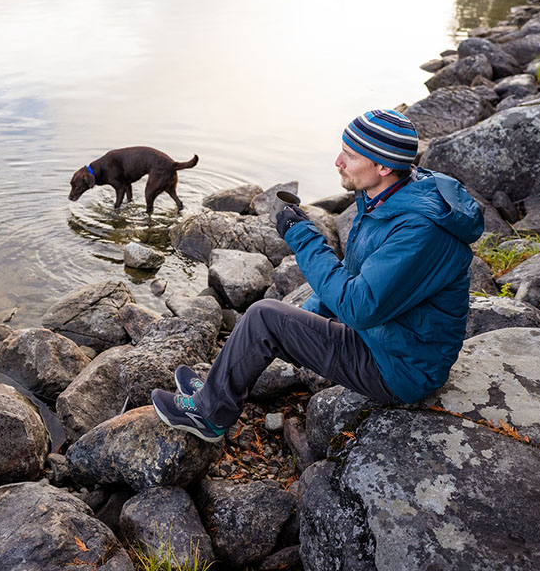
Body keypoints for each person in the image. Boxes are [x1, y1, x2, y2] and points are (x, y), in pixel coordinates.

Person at [151, 109, 484, 441]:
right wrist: (297, 325)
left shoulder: (419, 230)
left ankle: (209, 415)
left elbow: (358, 307)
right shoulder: (388, 197)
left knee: (263, 316)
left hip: (402, 368)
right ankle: (215, 389)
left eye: (350, 156)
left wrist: (303, 236)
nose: (338, 161)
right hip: (389, 339)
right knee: (272, 322)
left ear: (383, 167)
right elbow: (355, 272)